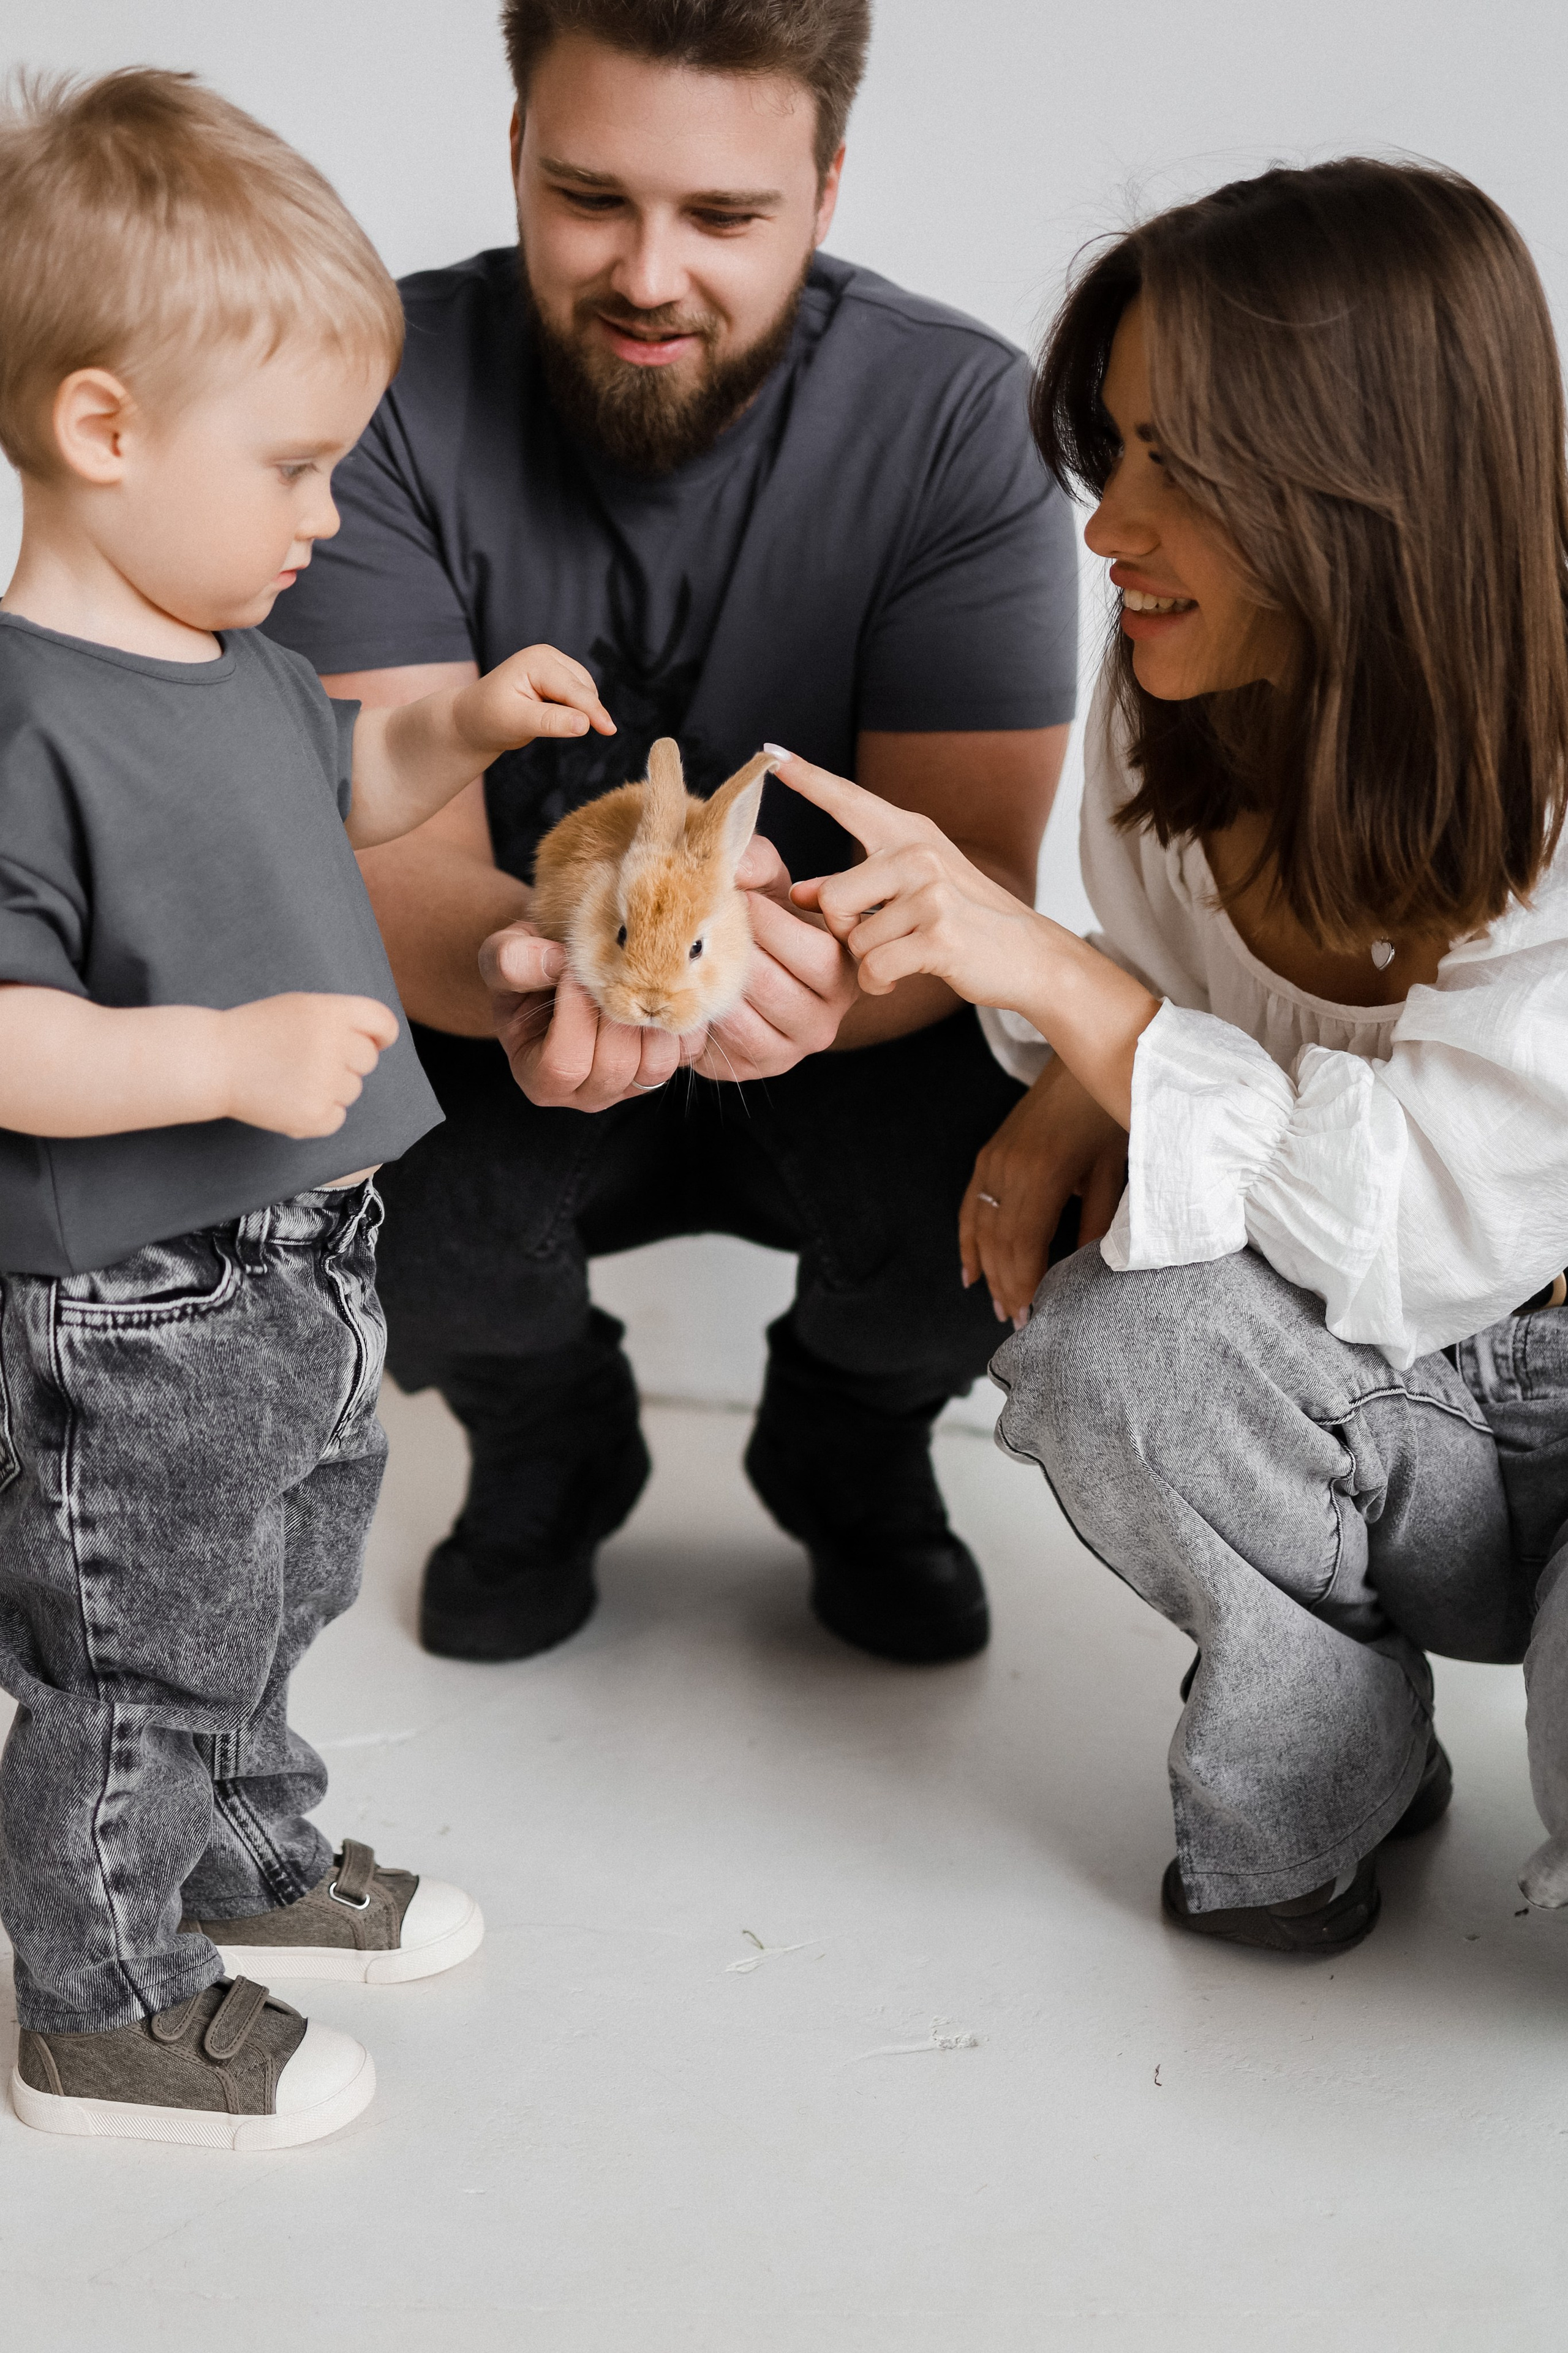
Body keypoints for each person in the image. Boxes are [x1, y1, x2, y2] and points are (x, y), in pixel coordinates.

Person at [771, 157, 1568, 1955]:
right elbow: (1167, 988)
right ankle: (1323, 1773)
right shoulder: (1190, 678)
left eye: (1175, 465)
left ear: (1373, 478)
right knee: (1113, 1340)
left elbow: (1433, 1228)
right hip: (1399, 1418)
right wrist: (1059, 1035)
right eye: (1112, 447)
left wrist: (1084, 1007)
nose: (1105, 525)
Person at [266, 0, 1079, 1669]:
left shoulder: (962, 424)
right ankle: (549, 1437)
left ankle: (848, 1441)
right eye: (590, 196)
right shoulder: (376, 397)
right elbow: (387, 850)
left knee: (1017, 1171)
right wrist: (532, 973)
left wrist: (795, 982)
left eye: (723, 216)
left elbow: (976, 880)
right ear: (511, 152)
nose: (650, 272)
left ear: (828, 189)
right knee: (335, 1159)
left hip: (845, 1010)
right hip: (519, 998)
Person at [0, 70, 617, 2148]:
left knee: (279, 1587)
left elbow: (349, 776)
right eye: (289, 466)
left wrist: (465, 715)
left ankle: (245, 1851)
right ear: (103, 432)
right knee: (141, 1643)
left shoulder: (234, 651)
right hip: (143, 1295)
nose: (323, 516)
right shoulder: (26, 713)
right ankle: (98, 1996)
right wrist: (219, 1062)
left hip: (305, 1263)